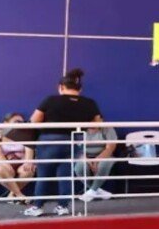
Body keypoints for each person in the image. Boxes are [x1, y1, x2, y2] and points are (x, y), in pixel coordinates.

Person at [26, 68, 102, 217]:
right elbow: (96, 126)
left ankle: (38, 207)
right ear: (80, 89)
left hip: (49, 141)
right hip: (73, 141)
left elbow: (34, 121)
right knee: (66, 175)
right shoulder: (89, 103)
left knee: (44, 174)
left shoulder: (50, 100)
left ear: (61, 87)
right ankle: (63, 206)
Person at [0, 113, 36, 202]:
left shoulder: (25, 134)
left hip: (19, 162)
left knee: (28, 171)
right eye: (17, 121)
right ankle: (19, 195)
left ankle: (11, 195)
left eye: (21, 122)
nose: (20, 124)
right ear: (6, 123)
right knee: (1, 170)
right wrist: (6, 164)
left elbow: (29, 152)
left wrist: (28, 162)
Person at [74, 121, 117, 202]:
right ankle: (96, 191)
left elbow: (110, 148)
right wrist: (87, 160)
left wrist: (97, 160)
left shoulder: (108, 129)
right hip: (85, 157)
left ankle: (92, 191)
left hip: (105, 156)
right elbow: (78, 149)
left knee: (103, 165)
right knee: (79, 168)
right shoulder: (80, 129)